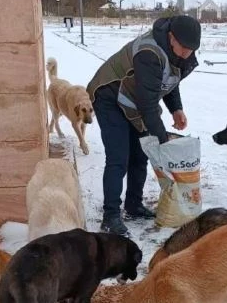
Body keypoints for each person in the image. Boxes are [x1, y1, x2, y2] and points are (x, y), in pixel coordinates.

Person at [86, 14, 201, 236]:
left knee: (140, 154)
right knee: (119, 157)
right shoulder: (149, 53)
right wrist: (162, 141)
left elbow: (168, 79)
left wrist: (176, 109)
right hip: (109, 96)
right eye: (185, 48)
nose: (188, 54)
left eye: (192, 49)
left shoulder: (177, 53)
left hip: (133, 98)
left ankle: (133, 205)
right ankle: (110, 216)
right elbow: (147, 105)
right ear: (171, 37)